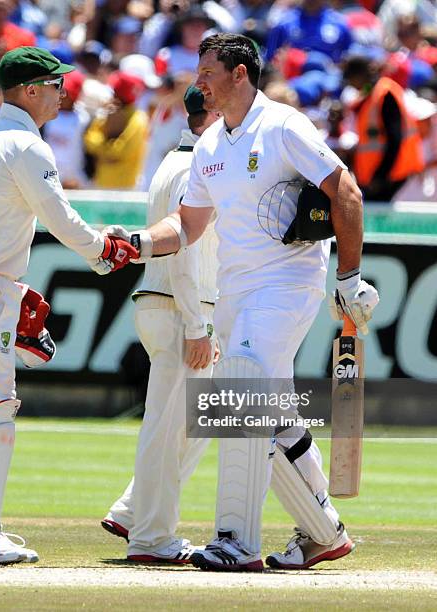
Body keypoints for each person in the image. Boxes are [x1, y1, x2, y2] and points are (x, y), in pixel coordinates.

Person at [107, 33, 379, 571]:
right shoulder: (208, 146)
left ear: (240, 74)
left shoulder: (282, 124)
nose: (198, 81)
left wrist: (349, 278)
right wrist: (135, 243)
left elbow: (344, 190)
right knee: (263, 411)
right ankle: (323, 530)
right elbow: (186, 225)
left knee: (241, 388)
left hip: (287, 283)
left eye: (208, 72)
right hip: (233, 292)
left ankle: (235, 540)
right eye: (198, 72)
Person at [0, 46, 138, 565]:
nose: (63, 93)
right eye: (56, 85)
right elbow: (58, 215)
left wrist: (0, 281)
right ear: (30, 91)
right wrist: (102, 253)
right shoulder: (25, 145)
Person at [101, 85, 220, 563]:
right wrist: (196, 324)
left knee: (197, 425)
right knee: (169, 425)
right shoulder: (196, 168)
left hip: (170, 304)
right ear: (211, 114)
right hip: (179, 306)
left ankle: (134, 511)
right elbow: (183, 252)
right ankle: (151, 537)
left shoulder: (175, 159)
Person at [343, 55, 424, 201]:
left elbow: (395, 138)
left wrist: (380, 176)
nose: (351, 83)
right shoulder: (370, 95)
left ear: (361, 74)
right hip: (379, 178)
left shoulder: (385, 93)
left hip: (394, 176)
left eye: (352, 78)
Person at [84, 70, 148, 189]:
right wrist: (107, 149)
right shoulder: (108, 112)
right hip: (101, 183)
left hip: (125, 187)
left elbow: (121, 151)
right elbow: (89, 140)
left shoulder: (138, 118)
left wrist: (102, 150)